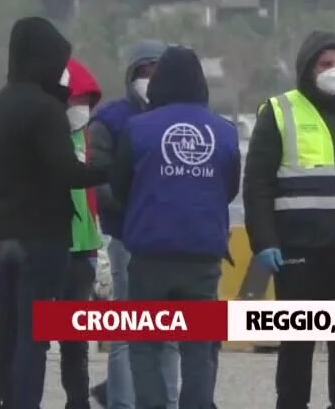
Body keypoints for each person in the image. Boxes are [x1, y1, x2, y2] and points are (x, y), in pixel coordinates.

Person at [243, 30, 335, 409]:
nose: (334, 71)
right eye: (326, 64)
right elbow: (257, 183)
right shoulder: (279, 111)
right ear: (308, 68)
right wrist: (265, 241)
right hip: (297, 248)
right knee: (297, 344)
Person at [0, 17, 107, 409]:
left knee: (4, 331)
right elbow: (66, 172)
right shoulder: (45, 110)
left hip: (1, 235)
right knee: (35, 334)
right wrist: (109, 172)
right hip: (42, 237)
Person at [111, 45, 241, 409]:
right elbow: (228, 187)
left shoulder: (137, 129)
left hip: (150, 254)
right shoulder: (226, 132)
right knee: (200, 347)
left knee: (146, 344)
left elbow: (120, 187)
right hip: (203, 255)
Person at [89, 40, 181, 409]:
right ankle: (121, 404)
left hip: (173, 243)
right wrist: (139, 208)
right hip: (128, 238)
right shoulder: (110, 120)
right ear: (131, 77)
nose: (149, 80)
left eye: (156, 72)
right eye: (143, 72)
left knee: (171, 331)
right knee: (127, 330)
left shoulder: (182, 119)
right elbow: (97, 179)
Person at [63, 58, 105, 409]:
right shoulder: (44, 132)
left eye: (87, 103)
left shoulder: (87, 135)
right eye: (77, 101)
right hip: (51, 243)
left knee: (75, 337)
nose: (82, 109)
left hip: (85, 246)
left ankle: (78, 401)